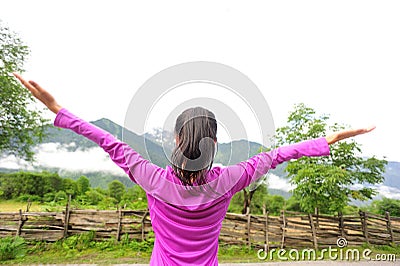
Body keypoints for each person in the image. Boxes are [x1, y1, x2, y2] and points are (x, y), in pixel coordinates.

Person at [14, 73, 375, 265]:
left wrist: (58, 109)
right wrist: (329, 140)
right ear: (214, 144)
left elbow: (107, 140)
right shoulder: (230, 180)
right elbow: (279, 155)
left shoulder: (151, 178)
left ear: (174, 139)